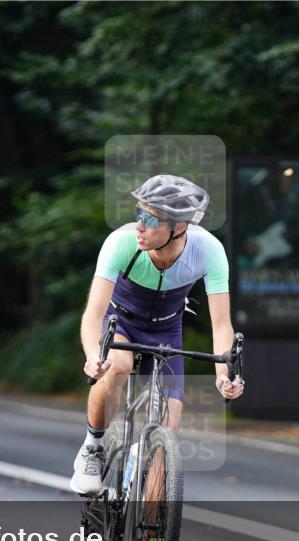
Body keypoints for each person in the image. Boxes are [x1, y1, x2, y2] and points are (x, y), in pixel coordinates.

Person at [71, 175, 245, 495]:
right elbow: (93, 314)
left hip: (167, 329)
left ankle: (151, 533)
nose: (139, 225)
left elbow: (221, 325)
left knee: (166, 439)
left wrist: (224, 374)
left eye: (150, 219)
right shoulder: (121, 242)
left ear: (179, 227)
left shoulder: (208, 250)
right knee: (118, 366)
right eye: (139, 213)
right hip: (120, 322)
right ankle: (92, 447)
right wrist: (93, 356)